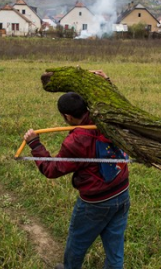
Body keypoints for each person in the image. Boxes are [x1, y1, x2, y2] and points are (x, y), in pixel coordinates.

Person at [23, 78, 130, 269]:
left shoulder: (77, 141)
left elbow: (51, 169)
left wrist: (35, 144)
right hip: (122, 192)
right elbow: (114, 100)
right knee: (115, 250)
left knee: (77, 243)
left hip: (96, 203)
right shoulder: (107, 117)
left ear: (68, 116)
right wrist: (105, 81)